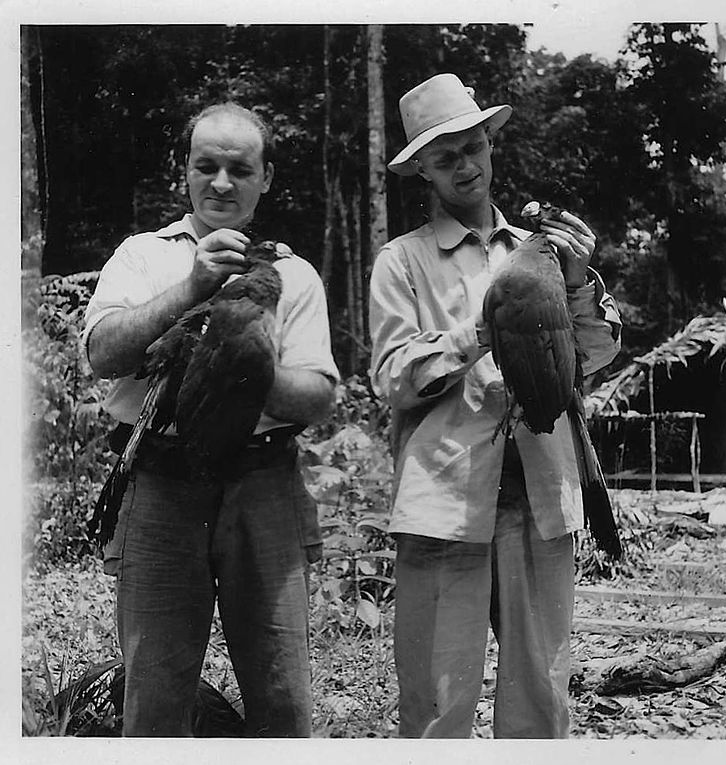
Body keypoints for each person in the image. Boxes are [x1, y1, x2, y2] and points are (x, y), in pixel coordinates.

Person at [369, 73, 621, 739]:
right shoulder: (401, 262)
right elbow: (392, 375)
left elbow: (592, 355)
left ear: (490, 146)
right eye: (445, 156)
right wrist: (483, 333)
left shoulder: (540, 253)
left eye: (472, 146)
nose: (464, 165)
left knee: (541, 703)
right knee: (434, 710)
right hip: (444, 505)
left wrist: (575, 282)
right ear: (421, 168)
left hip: (540, 497)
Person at [83, 102, 338, 737]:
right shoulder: (143, 256)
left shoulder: (293, 274)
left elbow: (315, 395)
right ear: (187, 173)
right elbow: (103, 353)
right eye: (207, 166)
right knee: (156, 690)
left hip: (262, 487)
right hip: (161, 487)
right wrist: (194, 289)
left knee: (281, 693)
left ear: (265, 178)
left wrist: (240, 362)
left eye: (239, 168)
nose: (222, 182)